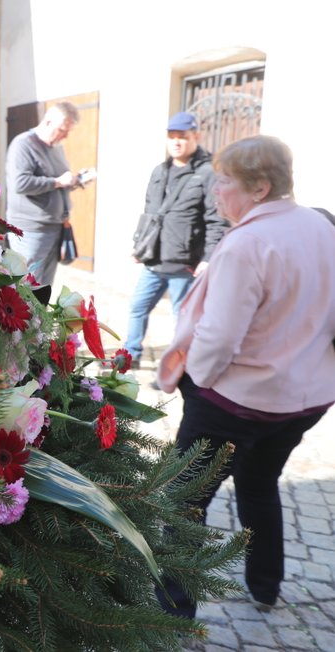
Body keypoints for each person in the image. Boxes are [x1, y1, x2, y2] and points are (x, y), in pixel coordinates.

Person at [156, 135, 335, 617]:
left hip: (235, 401)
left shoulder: (246, 243)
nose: (215, 190)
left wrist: (200, 383)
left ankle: (172, 613)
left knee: (183, 502)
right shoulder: (322, 226)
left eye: (225, 181)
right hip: (304, 400)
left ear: (259, 188)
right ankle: (265, 585)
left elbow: (217, 338)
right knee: (259, 484)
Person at [124, 112, 227, 368]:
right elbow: (149, 212)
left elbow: (217, 220)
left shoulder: (207, 172)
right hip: (154, 259)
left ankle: (177, 366)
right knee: (137, 307)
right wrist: (140, 244)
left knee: (183, 317)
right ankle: (130, 355)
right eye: (172, 137)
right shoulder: (160, 171)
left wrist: (208, 257)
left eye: (183, 137)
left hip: (185, 263)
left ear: (196, 137)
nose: (177, 142)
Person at [5, 101, 87, 305]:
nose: (65, 136)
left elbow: (58, 183)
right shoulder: (23, 144)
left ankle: (36, 329)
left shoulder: (56, 149)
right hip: (30, 231)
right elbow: (20, 183)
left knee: (43, 288)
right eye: (62, 130)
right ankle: (19, 332)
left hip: (54, 227)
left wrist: (76, 180)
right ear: (48, 121)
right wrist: (58, 181)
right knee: (25, 286)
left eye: (67, 131)